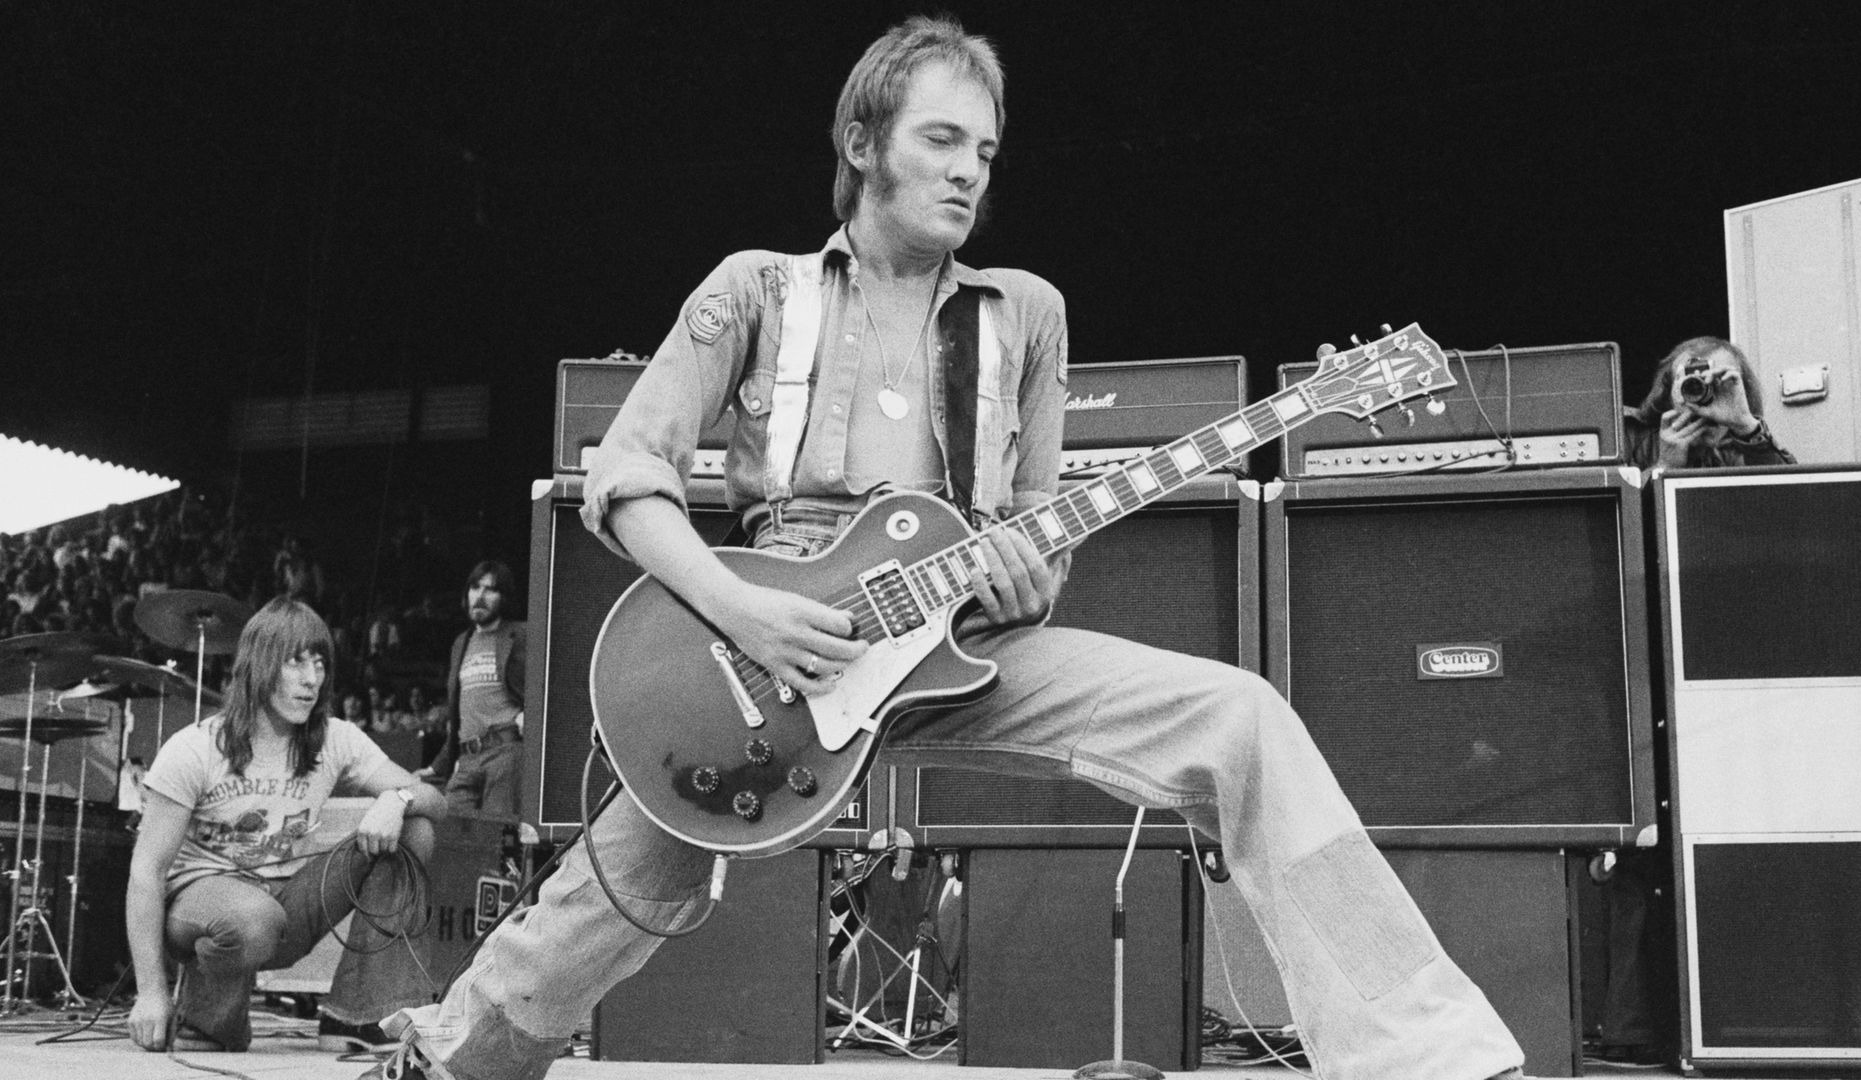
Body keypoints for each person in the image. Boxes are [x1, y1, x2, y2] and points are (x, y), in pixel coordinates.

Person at [363, 16, 1527, 1080]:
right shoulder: (757, 290)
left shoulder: (1024, 313)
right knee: (623, 880)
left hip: (954, 639)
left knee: (1242, 720)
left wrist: (1026, 581)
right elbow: (624, 480)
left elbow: (1034, 531)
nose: (973, 168)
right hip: (775, 648)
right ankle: (451, 1058)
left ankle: (1425, 1054)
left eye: (989, 148)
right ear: (865, 143)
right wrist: (744, 611)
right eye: (943, 138)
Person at [125, 597, 447, 1055]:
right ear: (259, 666)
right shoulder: (194, 748)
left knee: (415, 831)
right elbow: (146, 873)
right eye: (295, 663)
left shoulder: (335, 738)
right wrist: (150, 992)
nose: (311, 679)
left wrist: (398, 798)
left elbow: (435, 800)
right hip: (202, 903)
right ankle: (206, 1017)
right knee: (252, 918)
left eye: (319, 663)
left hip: (286, 907)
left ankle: (358, 1016)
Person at [1601, 334, 1795, 1065]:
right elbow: (1617, 550)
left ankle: (1747, 1017)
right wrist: (1665, 472)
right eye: (1692, 373)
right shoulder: (1633, 436)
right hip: (1648, 667)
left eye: (1719, 376)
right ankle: (1634, 1029)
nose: (1702, 387)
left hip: (1734, 674)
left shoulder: (1752, 444)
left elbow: (1797, 515)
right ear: (1665, 382)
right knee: (1641, 859)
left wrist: (1744, 426)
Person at [419, 561, 525, 817]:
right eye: (475, 588)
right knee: (451, 827)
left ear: (504, 597)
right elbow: (459, 714)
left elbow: (547, 683)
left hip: (506, 752)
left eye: (491, 590)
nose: (480, 596)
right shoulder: (461, 642)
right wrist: (437, 767)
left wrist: (531, 712)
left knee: (496, 836)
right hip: (466, 758)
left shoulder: (522, 634)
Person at [1623, 336, 1795, 471]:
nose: (1703, 397)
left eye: (1717, 386)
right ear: (1667, 393)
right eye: (1691, 385)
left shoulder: (1742, 444)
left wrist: (1748, 429)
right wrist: (1665, 467)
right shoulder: (1632, 436)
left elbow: (1792, 499)